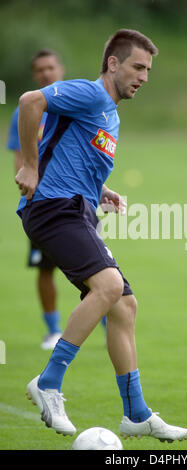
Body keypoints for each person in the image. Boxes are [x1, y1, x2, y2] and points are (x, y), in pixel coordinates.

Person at [16, 29, 187, 442]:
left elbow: (75, 153)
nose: (144, 76)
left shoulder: (110, 112)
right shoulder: (91, 94)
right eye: (138, 66)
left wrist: (101, 190)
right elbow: (29, 101)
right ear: (113, 63)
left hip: (76, 210)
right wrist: (28, 164)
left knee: (124, 306)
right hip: (54, 209)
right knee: (109, 286)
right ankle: (49, 381)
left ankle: (136, 414)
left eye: (148, 69)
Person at [7, 49, 65, 350]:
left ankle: (108, 322)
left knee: (96, 266)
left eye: (50, 67)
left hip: (77, 199)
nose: (46, 73)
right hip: (42, 203)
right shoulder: (25, 111)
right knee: (45, 268)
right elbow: (20, 159)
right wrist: (29, 187)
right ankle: (53, 330)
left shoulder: (72, 105)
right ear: (34, 75)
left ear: (61, 69)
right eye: (40, 69)